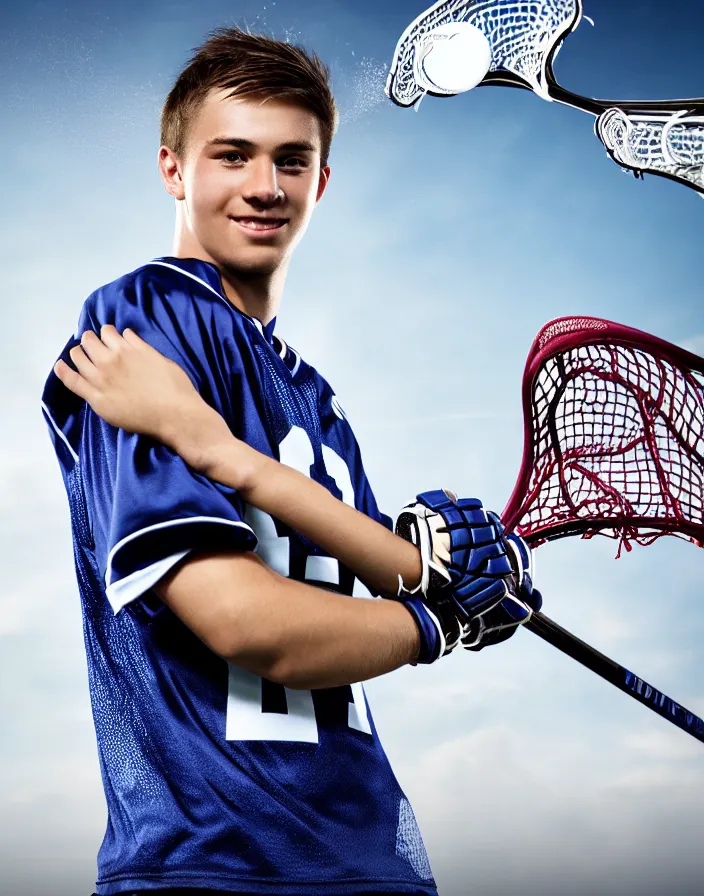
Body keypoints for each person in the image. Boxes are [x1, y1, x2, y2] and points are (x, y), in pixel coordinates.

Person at [42, 27, 540, 896]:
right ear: (173, 170)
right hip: (218, 861)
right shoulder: (148, 318)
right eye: (233, 155)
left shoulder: (317, 396)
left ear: (323, 181)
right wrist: (439, 624)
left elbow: (392, 588)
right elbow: (245, 624)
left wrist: (435, 571)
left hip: (370, 860)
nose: (265, 187)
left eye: (292, 160)